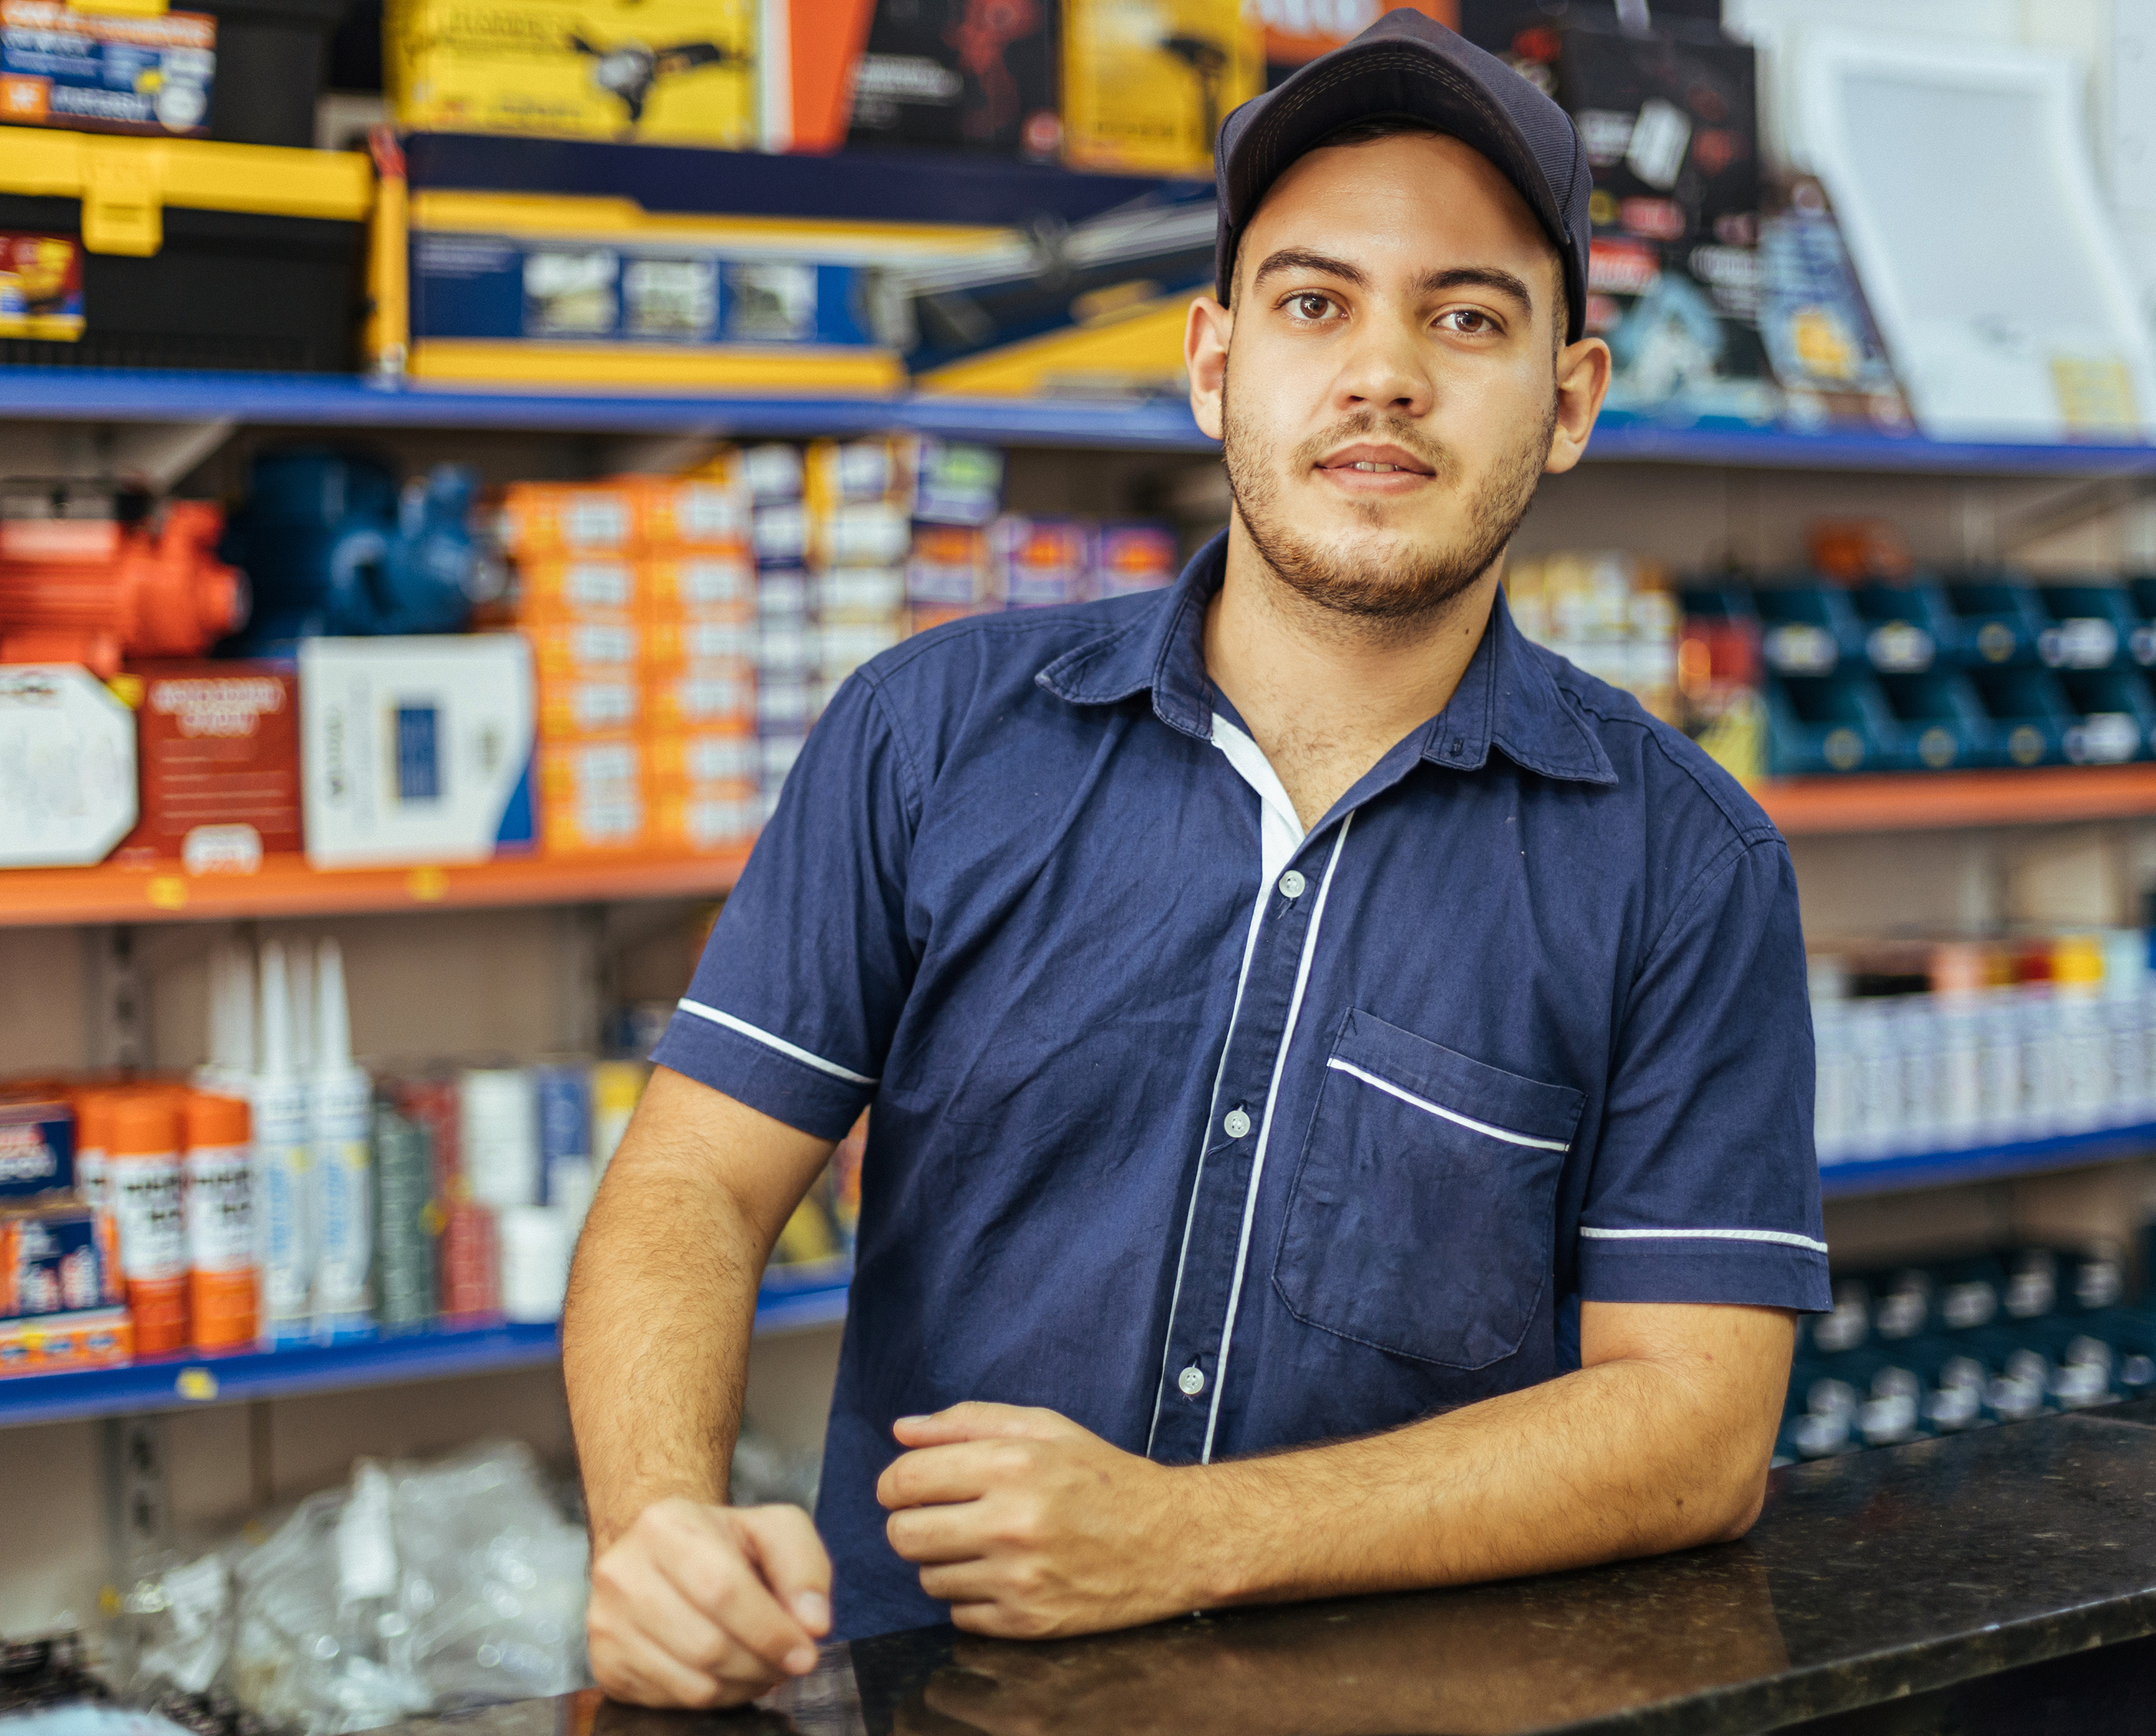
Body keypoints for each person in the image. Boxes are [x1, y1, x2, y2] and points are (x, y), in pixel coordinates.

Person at [565, 9, 1828, 1708]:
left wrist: (1186, 1532)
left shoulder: (1685, 864)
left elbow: (1695, 1430)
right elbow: (693, 1183)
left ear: (1572, 396)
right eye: (1315, 303)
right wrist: (655, 1520)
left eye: (1467, 316)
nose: (1383, 371)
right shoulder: (931, 738)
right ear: (1216, 361)